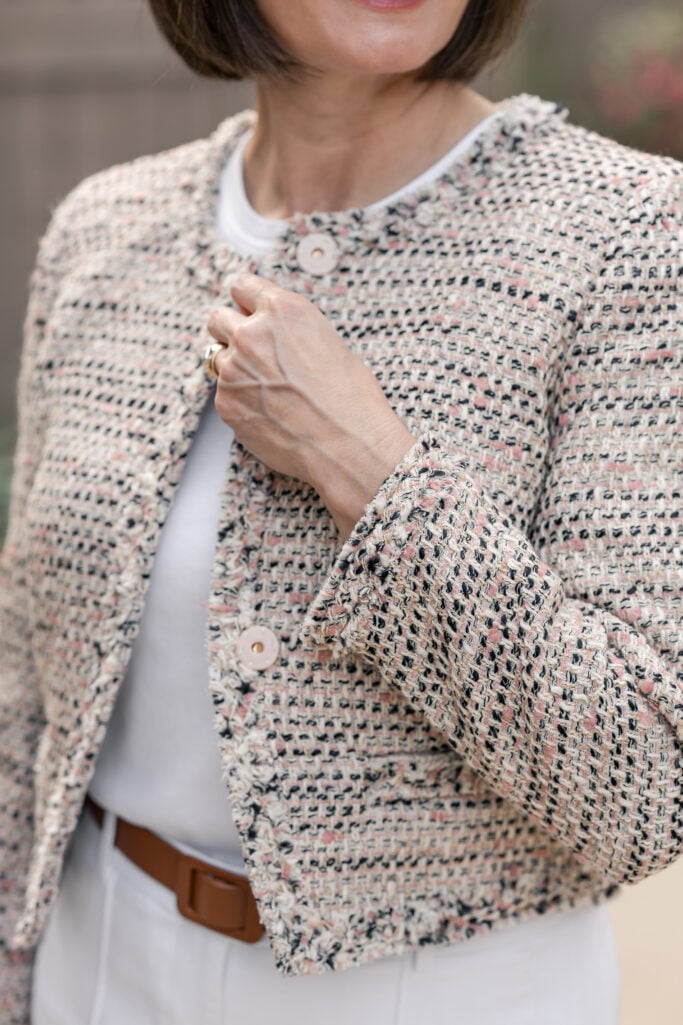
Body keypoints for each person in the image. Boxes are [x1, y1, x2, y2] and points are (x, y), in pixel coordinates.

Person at [1, 0, 681, 1022]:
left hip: (436, 989)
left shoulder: (627, 234)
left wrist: (364, 460)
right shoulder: (106, 230)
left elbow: (637, 786)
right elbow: (26, 694)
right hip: (96, 960)